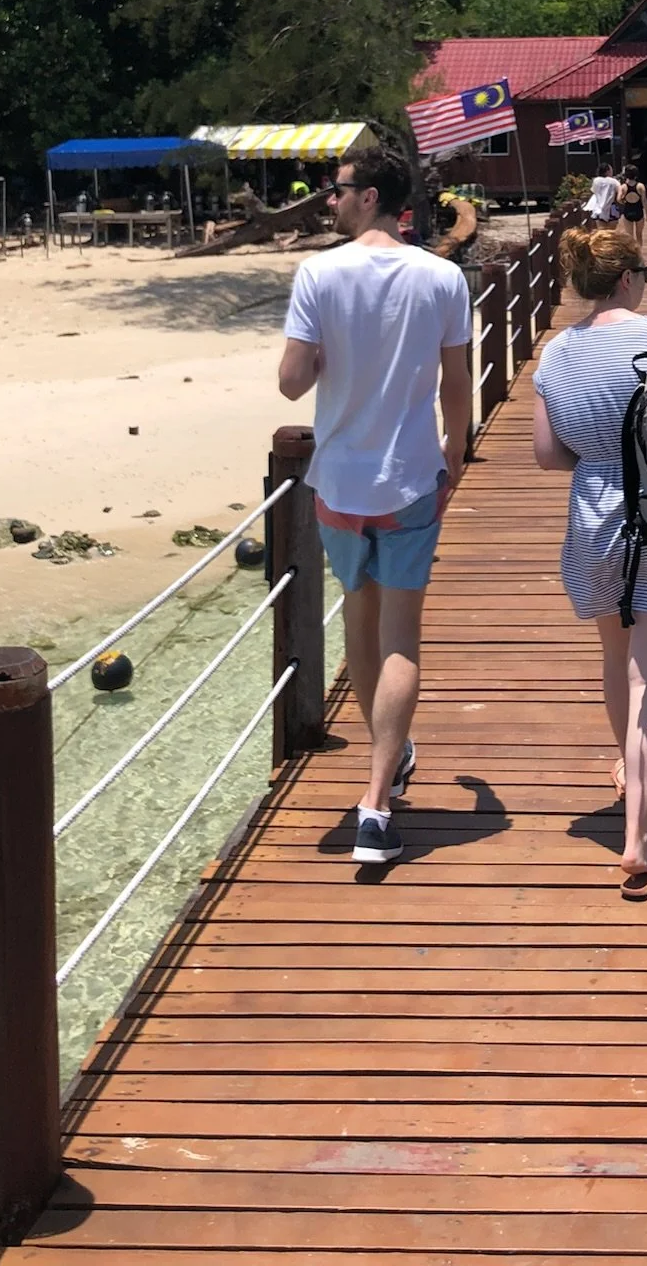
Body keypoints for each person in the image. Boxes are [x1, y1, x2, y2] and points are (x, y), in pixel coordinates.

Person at [278, 140, 472, 865]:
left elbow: (292, 383)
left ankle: (386, 766)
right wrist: (454, 455)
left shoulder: (318, 275)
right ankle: (377, 799)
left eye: (338, 189)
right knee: (401, 639)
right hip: (410, 479)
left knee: (359, 629)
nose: (329, 199)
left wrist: (332, 353)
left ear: (370, 196)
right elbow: (458, 384)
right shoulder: (441, 277)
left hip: (339, 484)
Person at [532, 225, 647, 899]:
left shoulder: (555, 355)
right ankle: (638, 843)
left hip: (592, 516)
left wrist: (601, 458)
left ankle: (629, 772)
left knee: (615, 656)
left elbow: (547, 455)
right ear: (628, 278)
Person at [616, 165, 647, 250]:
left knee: (629, 235)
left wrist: (624, 202)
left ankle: (631, 254)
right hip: (638, 211)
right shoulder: (640, 186)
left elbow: (618, 199)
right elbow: (644, 200)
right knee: (639, 235)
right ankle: (639, 253)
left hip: (628, 211)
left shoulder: (623, 186)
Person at [584, 162, 619, 227]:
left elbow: (593, 191)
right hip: (612, 208)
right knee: (612, 233)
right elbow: (620, 192)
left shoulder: (596, 181)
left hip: (598, 208)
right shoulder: (614, 181)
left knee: (601, 233)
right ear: (608, 171)